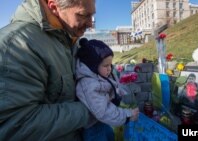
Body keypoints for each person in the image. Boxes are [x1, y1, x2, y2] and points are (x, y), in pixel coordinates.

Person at [0, 0, 95, 140]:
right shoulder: (16, 46)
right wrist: (93, 110)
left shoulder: (67, 39)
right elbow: (14, 125)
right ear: (54, 7)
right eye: (83, 15)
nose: (90, 23)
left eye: (92, 15)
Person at [75, 38, 140, 141]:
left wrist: (119, 92)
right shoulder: (88, 85)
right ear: (93, 66)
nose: (109, 68)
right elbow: (103, 111)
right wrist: (127, 115)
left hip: (102, 122)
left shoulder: (101, 74)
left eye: (110, 64)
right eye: (106, 65)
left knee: (110, 136)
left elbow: (113, 84)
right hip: (93, 129)